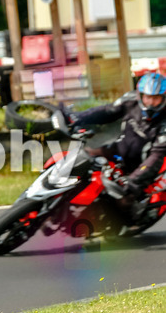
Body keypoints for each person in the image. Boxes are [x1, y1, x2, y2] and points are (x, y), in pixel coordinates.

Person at [67, 71, 166, 216]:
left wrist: (133, 181)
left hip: (140, 168)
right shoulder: (130, 100)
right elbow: (106, 111)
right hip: (117, 151)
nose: (151, 103)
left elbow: (156, 157)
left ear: (163, 98)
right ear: (140, 95)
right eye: (148, 97)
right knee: (83, 157)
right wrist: (78, 117)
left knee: (122, 203)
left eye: (156, 98)